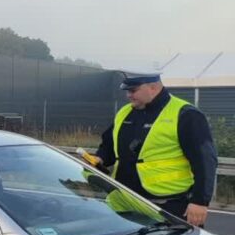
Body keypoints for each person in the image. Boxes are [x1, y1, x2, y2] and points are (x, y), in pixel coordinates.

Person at [93, 72, 217, 227]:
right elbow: (109, 146)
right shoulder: (125, 113)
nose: (128, 96)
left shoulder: (185, 114)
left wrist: (200, 201)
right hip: (125, 204)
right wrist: (99, 158)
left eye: (133, 91)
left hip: (169, 207)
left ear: (153, 87)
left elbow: (205, 160)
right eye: (127, 91)